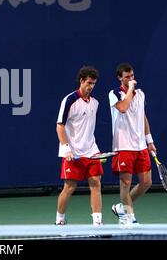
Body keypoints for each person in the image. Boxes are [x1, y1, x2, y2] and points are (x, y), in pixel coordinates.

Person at [109, 63, 157, 228]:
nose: (131, 79)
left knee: (146, 182)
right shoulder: (114, 93)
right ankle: (130, 217)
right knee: (126, 182)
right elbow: (123, 108)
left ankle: (121, 207)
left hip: (140, 146)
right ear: (120, 78)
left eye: (132, 76)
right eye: (127, 77)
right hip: (123, 145)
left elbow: (142, 117)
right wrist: (129, 90)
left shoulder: (141, 94)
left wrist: (149, 140)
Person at [55, 66, 103, 227]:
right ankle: (59, 220)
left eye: (94, 84)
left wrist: (93, 149)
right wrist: (66, 148)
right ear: (81, 81)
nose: (91, 87)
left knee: (96, 183)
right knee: (69, 187)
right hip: (73, 152)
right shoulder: (69, 100)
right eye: (89, 83)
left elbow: (88, 128)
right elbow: (60, 126)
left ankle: (97, 223)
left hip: (91, 151)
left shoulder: (95, 103)